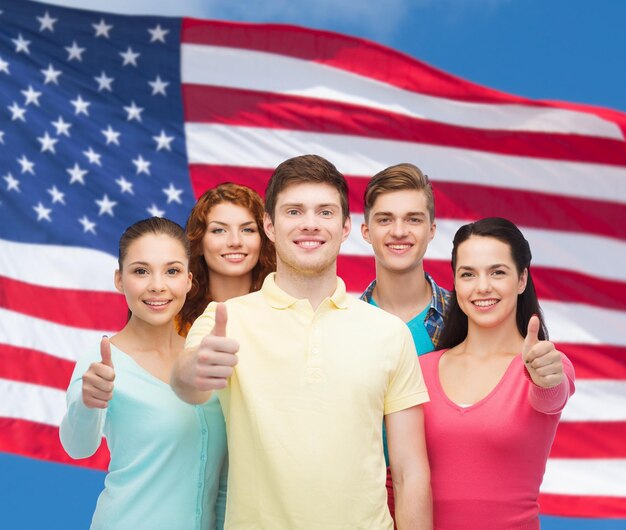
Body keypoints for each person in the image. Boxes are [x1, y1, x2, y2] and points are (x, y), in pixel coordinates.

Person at [172, 155, 433, 529]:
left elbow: (410, 470)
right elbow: (186, 384)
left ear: (345, 228)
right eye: (294, 212)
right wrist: (194, 370)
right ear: (270, 226)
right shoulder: (225, 320)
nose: (310, 224)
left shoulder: (389, 332)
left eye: (325, 213)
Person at [59, 217, 228, 530]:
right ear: (120, 280)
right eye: (141, 271)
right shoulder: (101, 362)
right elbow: (78, 447)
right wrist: (88, 403)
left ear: (189, 280)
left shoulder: (204, 358)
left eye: (172, 271)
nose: (157, 285)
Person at [419, 217, 575, 530]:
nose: (482, 287)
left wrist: (545, 377)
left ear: (521, 280)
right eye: (468, 274)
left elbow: (551, 394)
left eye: (497, 272)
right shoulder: (421, 368)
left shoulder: (543, 364)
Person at [360, 163, 451, 519]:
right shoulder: (343, 327)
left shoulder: (468, 320)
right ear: (366, 231)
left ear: (431, 230)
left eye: (413, 219)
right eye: (385, 219)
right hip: (366, 510)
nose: (399, 231)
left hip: (454, 500)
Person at [177, 182, 276, 336]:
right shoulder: (175, 319)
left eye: (247, 229)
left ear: (263, 239)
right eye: (219, 230)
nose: (235, 242)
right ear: (199, 242)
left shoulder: (284, 311)